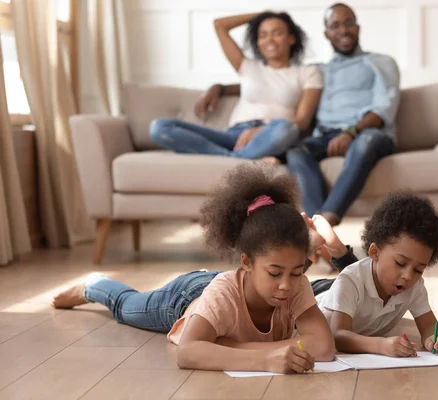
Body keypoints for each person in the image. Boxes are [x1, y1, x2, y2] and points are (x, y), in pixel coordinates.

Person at [51, 164, 335, 374]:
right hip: (186, 298)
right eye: (275, 273)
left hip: (227, 294)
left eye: (297, 272)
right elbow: (187, 352)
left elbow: (323, 348)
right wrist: (266, 359)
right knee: (126, 307)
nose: (287, 284)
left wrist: (226, 347)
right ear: (246, 262)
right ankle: (94, 285)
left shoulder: (295, 287)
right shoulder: (222, 295)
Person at [199, 3, 400, 225]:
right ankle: (315, 225)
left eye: (348, 23)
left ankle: (329, 216)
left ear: (358, 28)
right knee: (296, 150)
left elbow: (383, 109)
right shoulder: (320, 70)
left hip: (368, 133)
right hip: (325, 136)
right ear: (327, 33)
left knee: (365, 142)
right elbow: (272, 84)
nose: (343, 30)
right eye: (335, 25)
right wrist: (219, 88)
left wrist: (351, 132)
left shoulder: (380, 62)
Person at [149, 11, 322, 161]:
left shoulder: (307, 72)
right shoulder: (248, 67)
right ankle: (240, 158)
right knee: (160, 127)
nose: (269, 39)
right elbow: (220, 25)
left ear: (291, 38)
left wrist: (257, 131)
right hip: (233, 136)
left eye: (277, 33)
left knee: (288, 129)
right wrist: (262, 15)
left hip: (269, 135)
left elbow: (302, 122)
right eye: (262, 34)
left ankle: (235, 159)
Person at [309, 192, 438, 357]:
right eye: (400, 263)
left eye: (418, 270)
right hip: (316, 294)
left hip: (355, 293)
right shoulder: (349, 281)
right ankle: (320, 243)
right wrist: (380, 345)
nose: (408, 275)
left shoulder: (414, 287)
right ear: (374, 251)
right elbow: (338, 336)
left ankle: (337, 249)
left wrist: (434, 339)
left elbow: (428, 326)